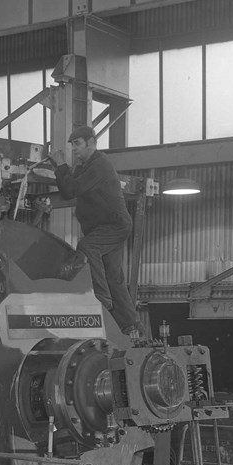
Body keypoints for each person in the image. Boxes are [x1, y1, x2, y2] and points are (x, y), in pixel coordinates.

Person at [44, 125, 143, 335]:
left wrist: (60, 165)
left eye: (77, 144)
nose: (74, 149)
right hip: (103, 227)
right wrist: (62, 169)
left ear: (91, 142)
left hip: (114, 226)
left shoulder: (100, 165)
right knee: (113, 276)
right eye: (72, 145)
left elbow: (71, 190)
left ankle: (102, 301)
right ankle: (130, 326)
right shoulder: (84, 167)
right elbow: (69, 186)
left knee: (87, 247)